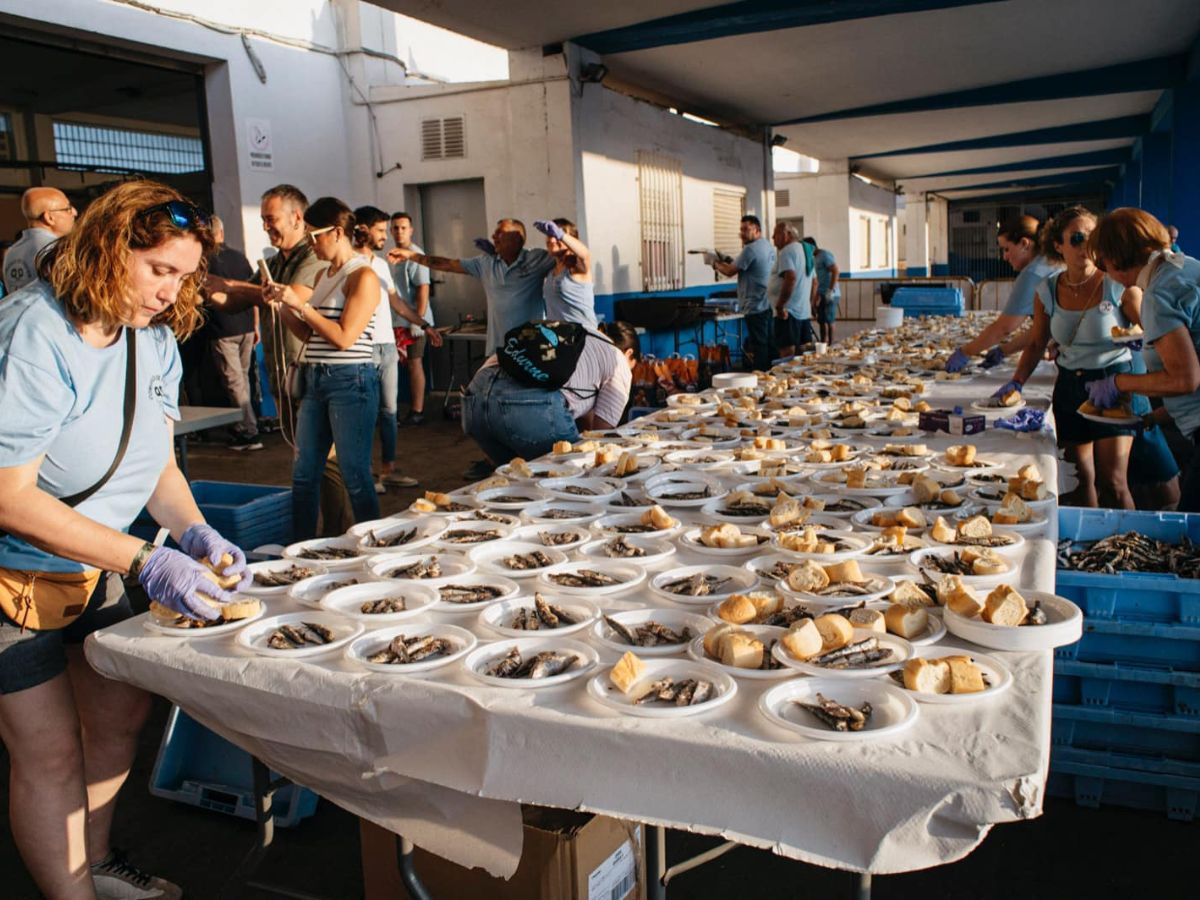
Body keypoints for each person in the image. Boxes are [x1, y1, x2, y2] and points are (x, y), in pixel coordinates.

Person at [0, 180, 249, 899]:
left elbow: (156, 461)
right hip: (16, 574)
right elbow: (11, 497)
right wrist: (147, 559)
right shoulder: (33, 332)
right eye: (158, 270)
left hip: (98, 557)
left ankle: (99, 860)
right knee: (46, 754)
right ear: (108, 250)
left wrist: (192, 529)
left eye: (184, 275)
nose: (170, 292)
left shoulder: (152, 335)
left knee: (119, 714)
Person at [992, 207, 1153, 508]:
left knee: (1113, 482)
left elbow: (1155, 332)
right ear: (1058, 245)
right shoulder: (1047, 290)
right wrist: (1017, 381)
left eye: (1092, 239)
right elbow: (1038, 341)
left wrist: (1143, 345)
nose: (1085, 247)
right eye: (1077, 239)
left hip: (1113, 385)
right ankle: (1085, 548)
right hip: (1069, 387)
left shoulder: (1117, 284)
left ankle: (1124, 546)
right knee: (1077, 479)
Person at [265, 198, 382, 537]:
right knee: (303, 473)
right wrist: (284, 306)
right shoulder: (322, 275)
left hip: (351, 381)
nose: (311, 244)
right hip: (316, 379)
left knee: (355, 474)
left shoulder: (363, 276)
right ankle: (301, 547)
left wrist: (301, 305)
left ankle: (374, 544)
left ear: (338, 232)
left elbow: (345, 337)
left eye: (315, 236)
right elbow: (307, 333)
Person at [1086, 208, 1200, 509]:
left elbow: (1185, 379)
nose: (1106, 272)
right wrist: (1154, 416)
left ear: (1117, 256)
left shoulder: (1158, 294)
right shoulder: (1187, 268)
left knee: (1189, 543)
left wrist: (1119, 383)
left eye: (1104, 263)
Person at [205, 185, 328, 428]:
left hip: (310, 374)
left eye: (271, 219)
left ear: (297, 218)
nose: (265, 227)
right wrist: (201, 289)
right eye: (263, 220)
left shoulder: (314, 257)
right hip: (281, 374)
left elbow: (293, 297)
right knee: (298, 450)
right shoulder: (271, 264)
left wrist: (229, 284)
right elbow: (233, 304)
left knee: (323, 454)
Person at [462, 321, 640, 464]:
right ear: (629, 353)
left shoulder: (577, 332)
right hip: (525, 407)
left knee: (518, 479)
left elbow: (586, 417)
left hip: (474, 397)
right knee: (576, 472)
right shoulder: (619, 362)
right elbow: (600, 437)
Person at [352, 206, 440, 491]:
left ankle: (388, 469)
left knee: (389, 413)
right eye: (380, 230)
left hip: (387, 346)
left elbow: (397, 302)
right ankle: (365, 473)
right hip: (360, 349)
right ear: (363, 230)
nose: (385, 235)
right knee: (364, 413)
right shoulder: (349, 264)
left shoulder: (380, 264)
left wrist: (424, 324)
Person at [388, 218, 554, 355]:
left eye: (500, 233)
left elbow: (571, 261)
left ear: (517, 239)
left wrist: (558, 236)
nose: (493, 236)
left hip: (530, 347)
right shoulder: (486, 263)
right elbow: (447, 264)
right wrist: (411, 255)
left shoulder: (535, 259)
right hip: (498, 349)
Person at [946, 215, 1063, 372]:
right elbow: (1044, 329)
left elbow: (1004, 328)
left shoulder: (1033, 273)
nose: (1005, 256)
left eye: (1006, 249)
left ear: (1024, 243)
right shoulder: (1049, 263)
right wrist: (1004, 350)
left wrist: (965, 352)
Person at [204, 215, 262, 450]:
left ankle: (249, 431)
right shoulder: (240, 257)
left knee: (234, 382)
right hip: (246, 326)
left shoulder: (204, 260)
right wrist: (256, 324)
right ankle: (245, 424)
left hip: (223, 328)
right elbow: (253, 291)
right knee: (242, 379)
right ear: (222, 233)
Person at [711, 215, 775, 370]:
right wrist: (727, 259)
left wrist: (714, 263)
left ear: (757, 229)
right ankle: (770, 377)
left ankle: (760, 379)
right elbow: (746, 265)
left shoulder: (750, 249)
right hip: (767, 303)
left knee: (759, 347)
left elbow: (730, 271)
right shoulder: (766, 245)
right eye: (741, 230)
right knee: (768, 345)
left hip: (754, 305)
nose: (742, 233)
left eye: (746, 229)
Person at [390, 211, 433, 426]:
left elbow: (423, 289)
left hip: (413, 322)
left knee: (415, 364)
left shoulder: (415, 255)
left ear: (411, 230)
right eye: (395, 227)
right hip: (396, 321)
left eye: (403, 227)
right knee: (396, 366)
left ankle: (417, 410)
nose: (399, 231)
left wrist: (419, 321)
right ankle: (394, 410)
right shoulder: (391, 256)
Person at [2, 187, 78, 295]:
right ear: (49, 218)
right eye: (67, 209)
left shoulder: (11, 252)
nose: (74, 212)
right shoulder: (57, 250)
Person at [535, 217, 597, 328]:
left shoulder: (575, 266)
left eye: (556, 235)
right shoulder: (551, 272)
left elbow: (585, 255)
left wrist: (561, 235)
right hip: (561, 339)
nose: (553, 239)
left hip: (583, 337)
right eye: (550, 235)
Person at [770, 222, 814, 356]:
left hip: (788, 312)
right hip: (803, 311)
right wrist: (809, 304)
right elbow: (815, 281)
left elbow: (791, 278)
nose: (772, 237)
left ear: (786, 234)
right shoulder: (806, 251)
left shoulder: (787, 251)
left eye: (775, 234)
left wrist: (780, 306)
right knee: (803, 353)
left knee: (786, 354)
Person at [804, 236, 840, 344]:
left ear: (812, 247)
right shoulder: (815, 258)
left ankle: (831, 344)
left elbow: (835, 271)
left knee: (829, 320)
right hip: (821, 293)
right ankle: (823, 344)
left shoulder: (825, 255)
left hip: (830, 294)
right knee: (822, 320)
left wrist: (830, 290)